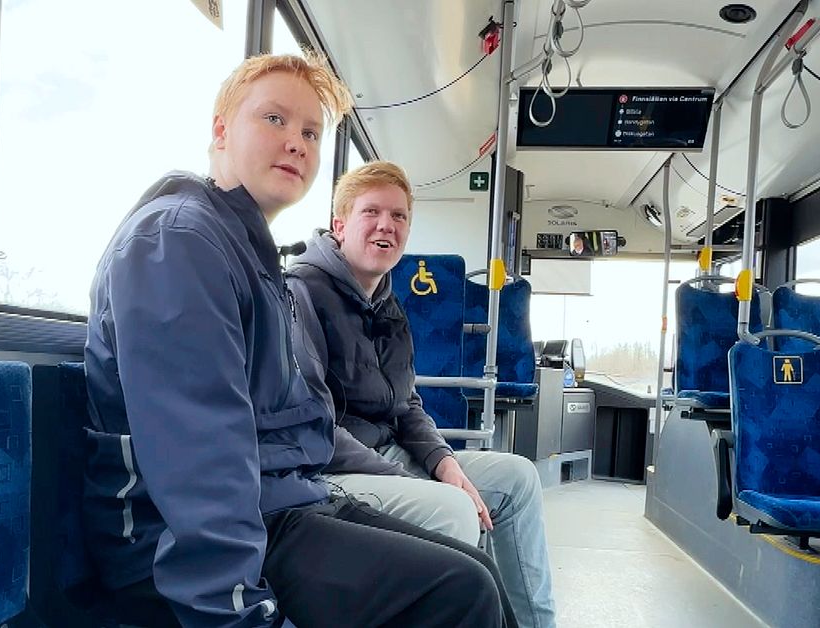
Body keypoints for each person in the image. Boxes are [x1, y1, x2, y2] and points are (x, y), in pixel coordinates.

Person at [82, 52, 512, 628]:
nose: (298, 143)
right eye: (274, 120)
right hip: (170, 546)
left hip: (281, 501)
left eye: (311, 130)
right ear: (219, 131)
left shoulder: (248, 255)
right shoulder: (180, 243)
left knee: (475, 574)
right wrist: (237, 612)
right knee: (460, 593)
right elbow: (200, 461)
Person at [287, 161, 558, 628]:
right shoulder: (301, 293)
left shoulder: (388, 303)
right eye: (371, 212)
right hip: (330, 468)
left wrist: (444, 463)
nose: (385, 226)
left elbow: (407, 402)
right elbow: (312, 422)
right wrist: (409, 478)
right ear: (339, 225)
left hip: (388, 455)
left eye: (399, 216)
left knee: (517, 478)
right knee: (452, 508)